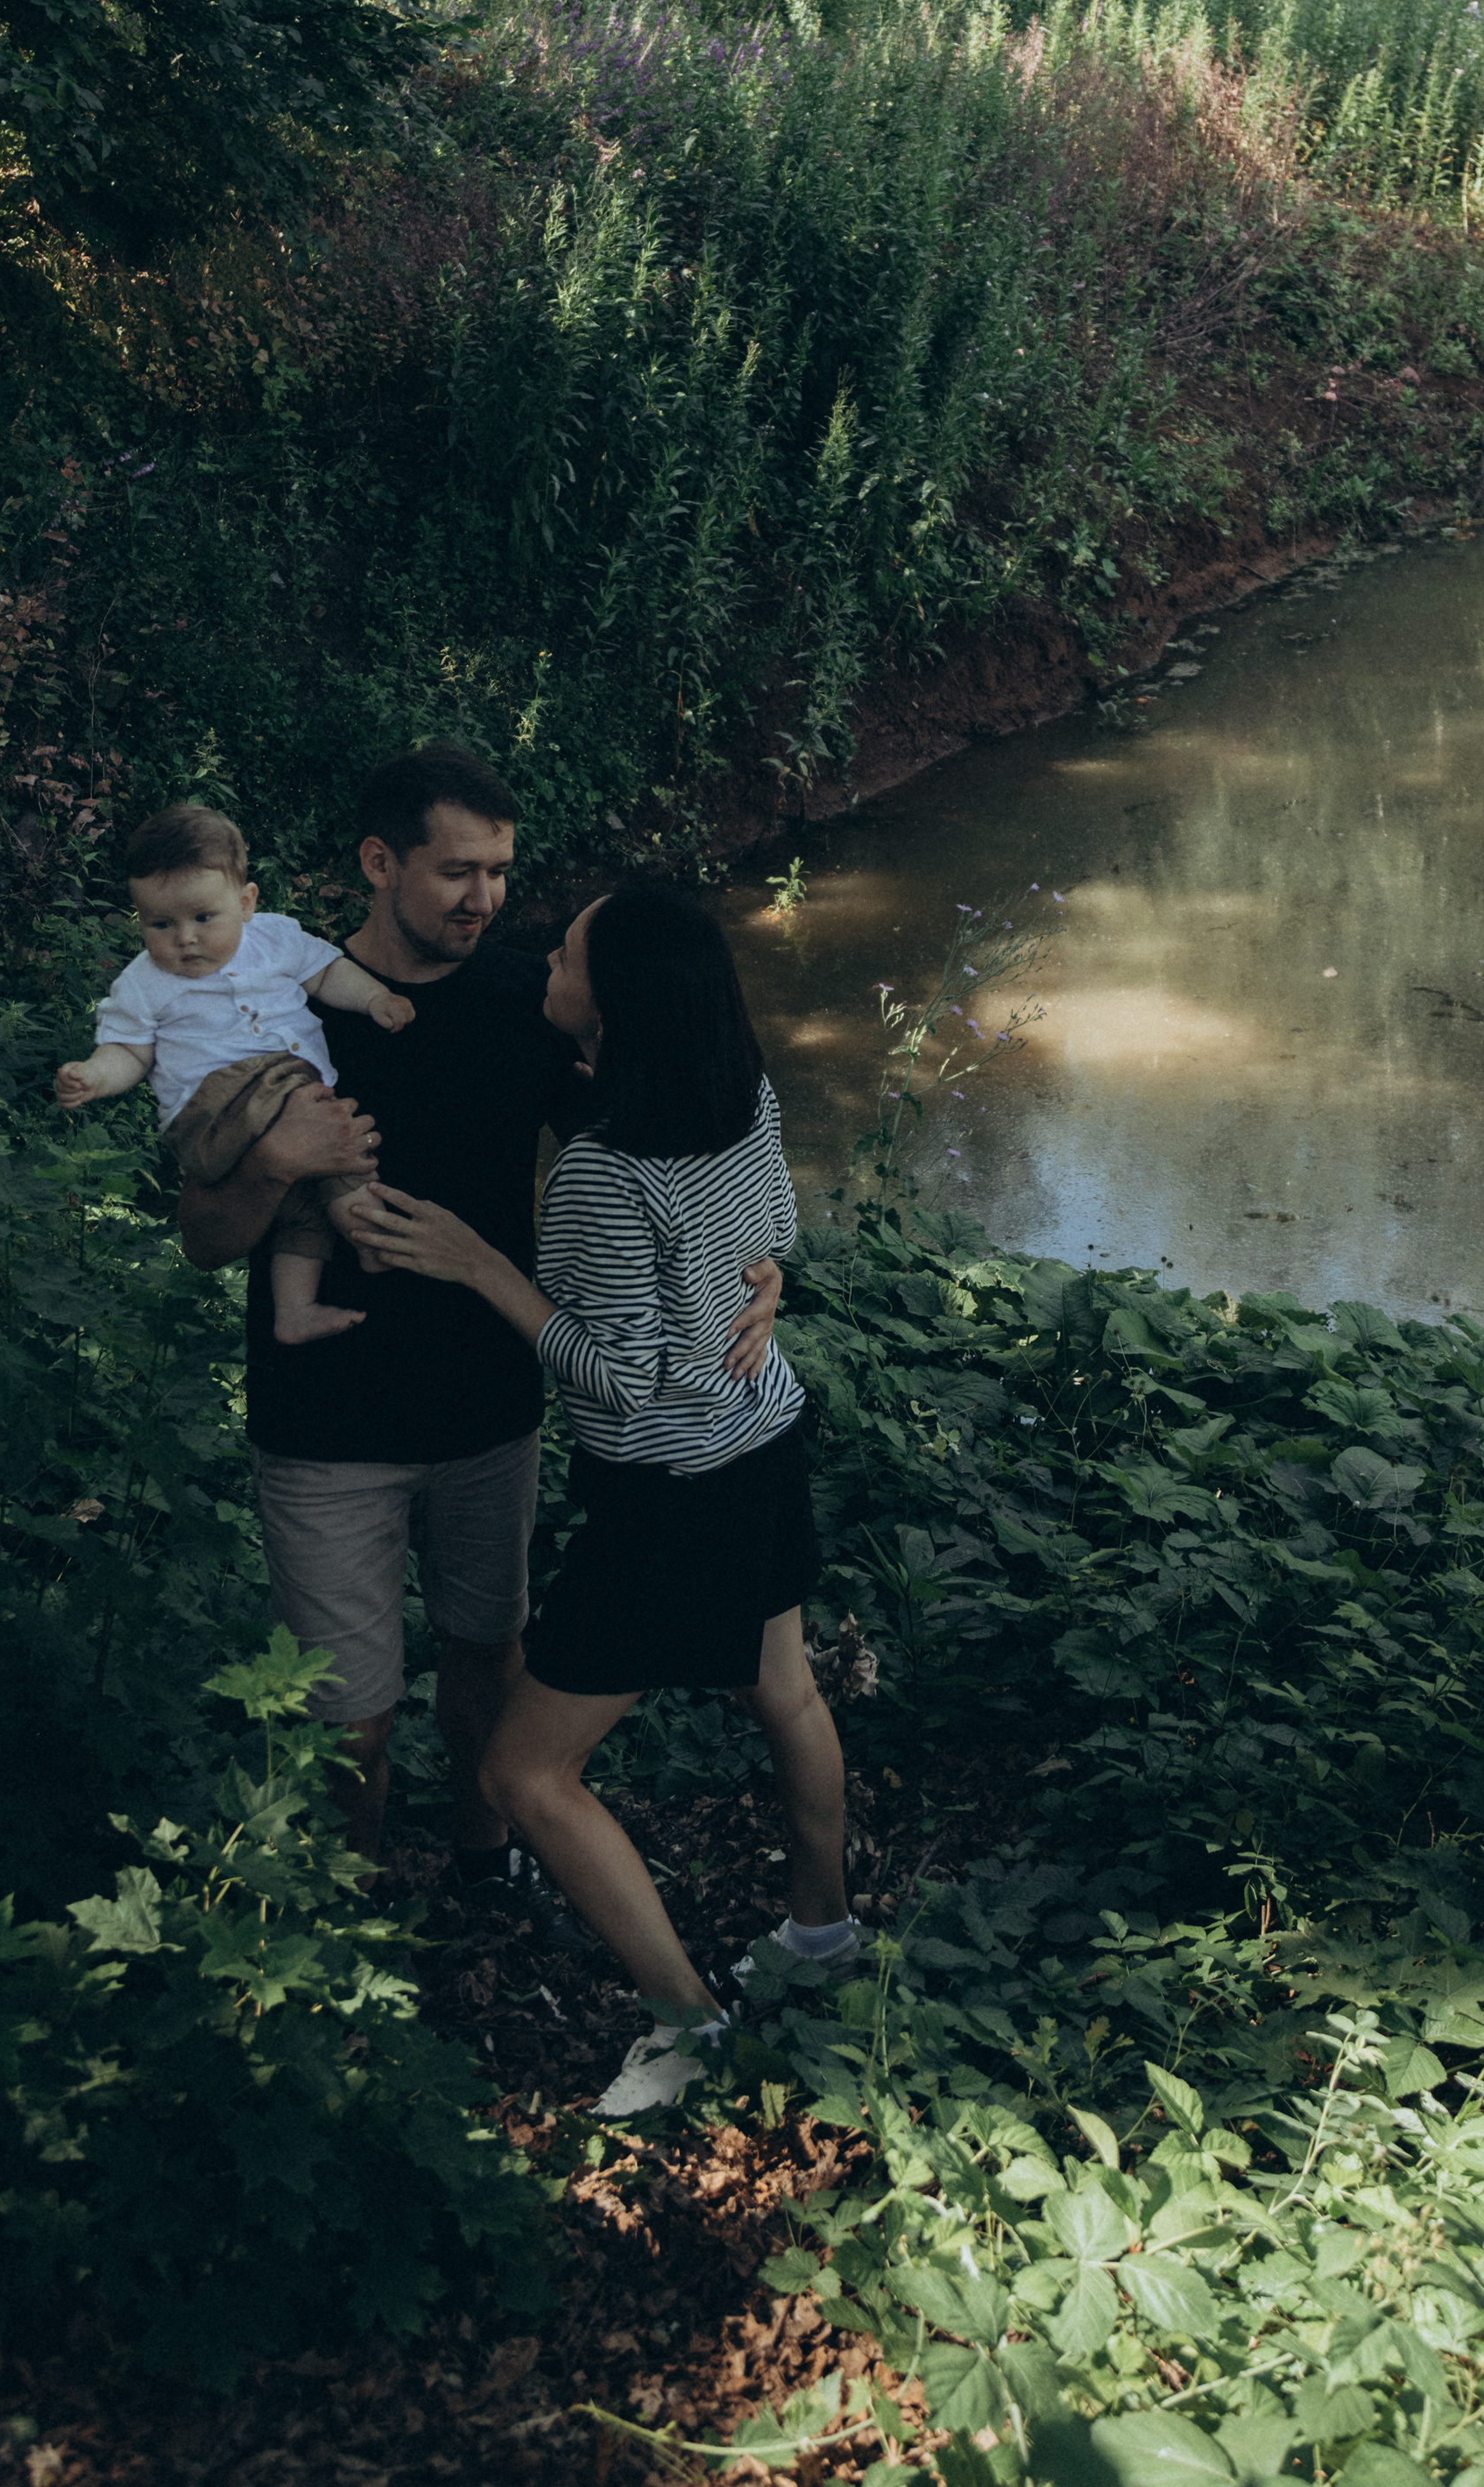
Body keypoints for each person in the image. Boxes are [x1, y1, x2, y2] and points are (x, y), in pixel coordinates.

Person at [173, 744, 783, 1912]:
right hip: (325, 1427)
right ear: (378, 861)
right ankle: (352, 1939)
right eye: (458, 871)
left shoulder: (523, 1000)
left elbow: (678, 1138)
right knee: (348, 1727)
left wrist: (760, 1271)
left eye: (500, 872)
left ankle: (484, 1864)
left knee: (484, 1659)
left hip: (491, 1409)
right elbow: (204, 1236)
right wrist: (277, 1169)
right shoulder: (276, 1015)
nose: (485, 899)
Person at [348, 878, 855, 2115]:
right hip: (765, 1439)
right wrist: (761, 1282)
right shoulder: (745, 1095)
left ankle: (690, 2026)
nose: (545, 960)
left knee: (527, 1776)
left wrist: (484, 1267)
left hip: (669, 1499)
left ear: (614, 1002)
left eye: (566, 952)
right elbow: (774, 1225)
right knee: (781, 1684)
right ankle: (820, 1934)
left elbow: (621, 1381)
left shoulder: (600, 1172)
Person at [54, 800, 412, 1348]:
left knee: (303, 1207)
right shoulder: (145, 982)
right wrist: (96, 1076)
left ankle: (295, 1310)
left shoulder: (276, 938)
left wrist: (375, 999)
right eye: (161, 923)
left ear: (245, 903)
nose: (185, 938)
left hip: (259, 1122)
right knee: (323, 1120)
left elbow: (327, 973)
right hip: (216, 1110)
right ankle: (370, 1234)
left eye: (203, 917)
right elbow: (131, 1052)